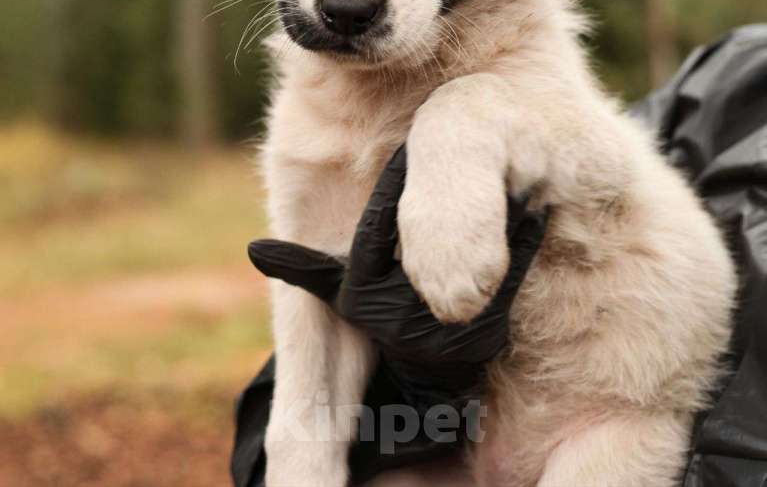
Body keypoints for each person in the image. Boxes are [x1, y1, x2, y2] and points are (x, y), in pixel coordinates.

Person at [232, 26, 767, 487]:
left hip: (607, 431)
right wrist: (409, 392)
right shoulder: (733, 80)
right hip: (459, 441)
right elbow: (599, 165)